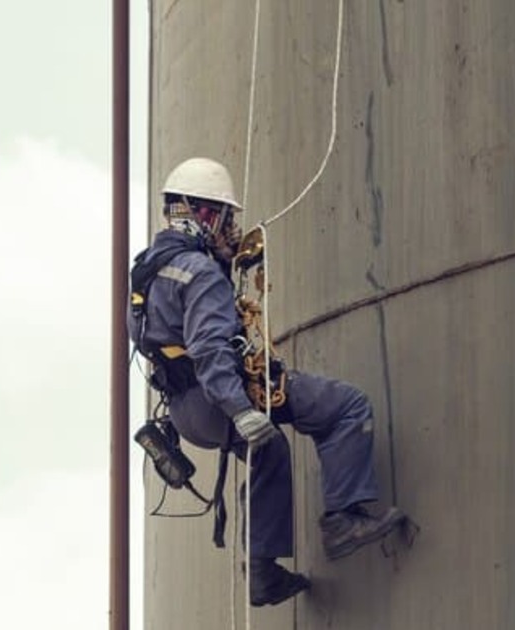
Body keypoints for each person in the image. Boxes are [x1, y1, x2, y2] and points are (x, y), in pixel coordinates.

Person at [128, 157, 409, 607]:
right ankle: (342, 520)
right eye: (225, 217)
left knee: (270, 450)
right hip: (219, 397)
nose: (230, 228)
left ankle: (262, 575)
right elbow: (208, 349)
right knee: (345, 407)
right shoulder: (198, 274)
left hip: (184, 412)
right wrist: (240, 409)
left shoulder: (147, 269)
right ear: (204, 214)